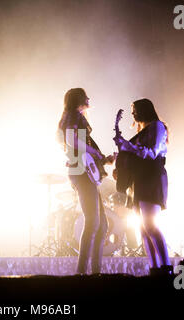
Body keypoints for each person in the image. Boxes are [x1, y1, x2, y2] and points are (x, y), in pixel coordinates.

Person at [57, 88, 115, 274]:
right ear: (78, 100)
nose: (89, 98)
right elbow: (72, 142)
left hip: (83, 171)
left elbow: (81, 149)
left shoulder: (76, 117)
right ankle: (81, 272)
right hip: (80, 173)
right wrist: (95, 153)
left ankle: (95, 272)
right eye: (85, 96)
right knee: (92, 222)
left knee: (102, 225)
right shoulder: (72, 115)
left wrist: (103, 159)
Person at [113, 98, 172, 275]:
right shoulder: (144, 130)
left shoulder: (157, 127)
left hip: (151, 177)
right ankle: (155, 269)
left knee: (150, 225)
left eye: (135, 110)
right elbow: (136, 156)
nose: (133, 114)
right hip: (139, 180)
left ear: (145, 109)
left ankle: (166, 268)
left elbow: (152, 153)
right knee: (143, 228)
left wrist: (127, 146)